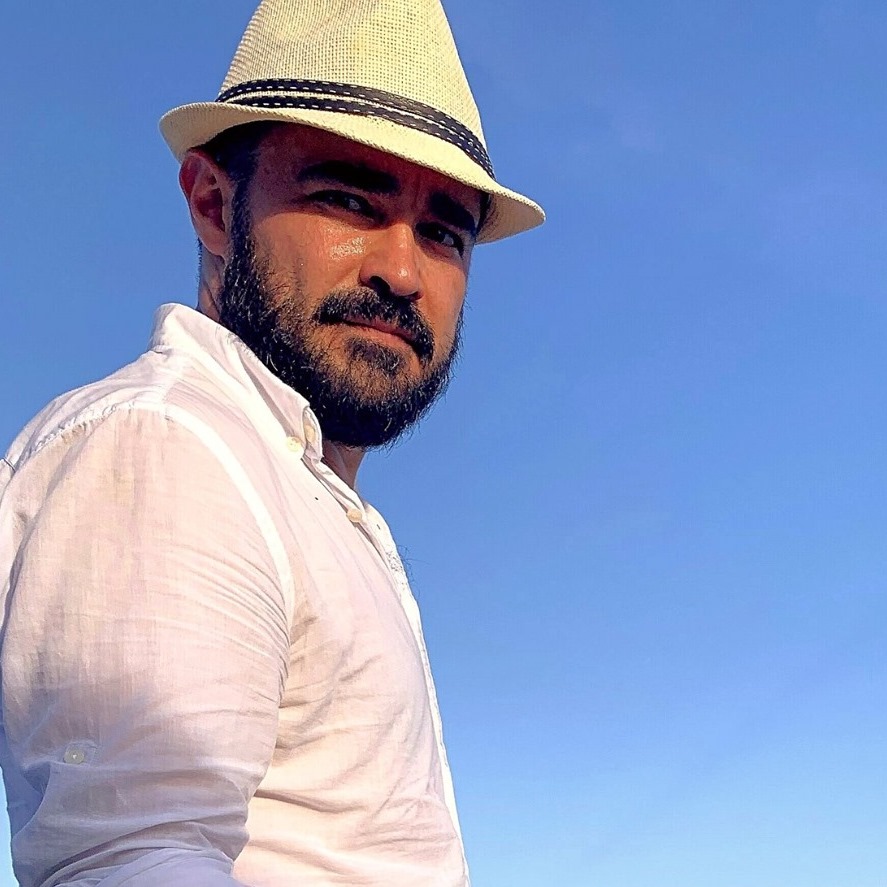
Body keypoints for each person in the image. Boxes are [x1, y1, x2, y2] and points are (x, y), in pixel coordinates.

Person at [0, 0, 543, 884]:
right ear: (213, 204)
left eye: (444, 232)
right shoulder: (171, 444)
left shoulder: (296, 490)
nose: (402, 272)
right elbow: (131, 859)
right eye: (347, 199)